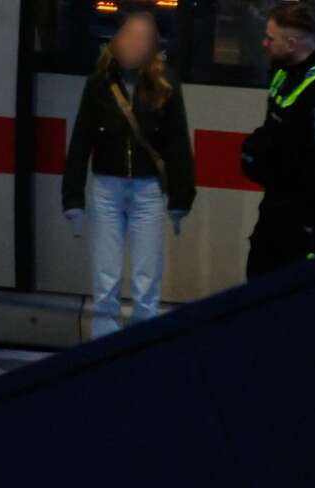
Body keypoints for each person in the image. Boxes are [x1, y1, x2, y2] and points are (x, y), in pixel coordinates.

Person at [61, 7, 194, 339]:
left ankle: (142, 348)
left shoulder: (165, 84)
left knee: (147, 281)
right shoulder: (100, 82)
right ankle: (105, 346)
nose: (135, 44)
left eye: (142, 39)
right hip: (107, 187)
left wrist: (181, 196)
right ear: (117, 40)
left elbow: (178, 142)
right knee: (105, 279)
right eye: (130, 36)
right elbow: (81, 141)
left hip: (148, 191)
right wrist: (73, 198)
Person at [242, 2, 315, 279]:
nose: (264, 43)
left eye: (270, 38)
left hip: (305, 223)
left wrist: (314, 224)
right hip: (276, 208)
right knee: (259, 280)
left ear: (292, 44)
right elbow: (274, 131)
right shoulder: (284, 74)